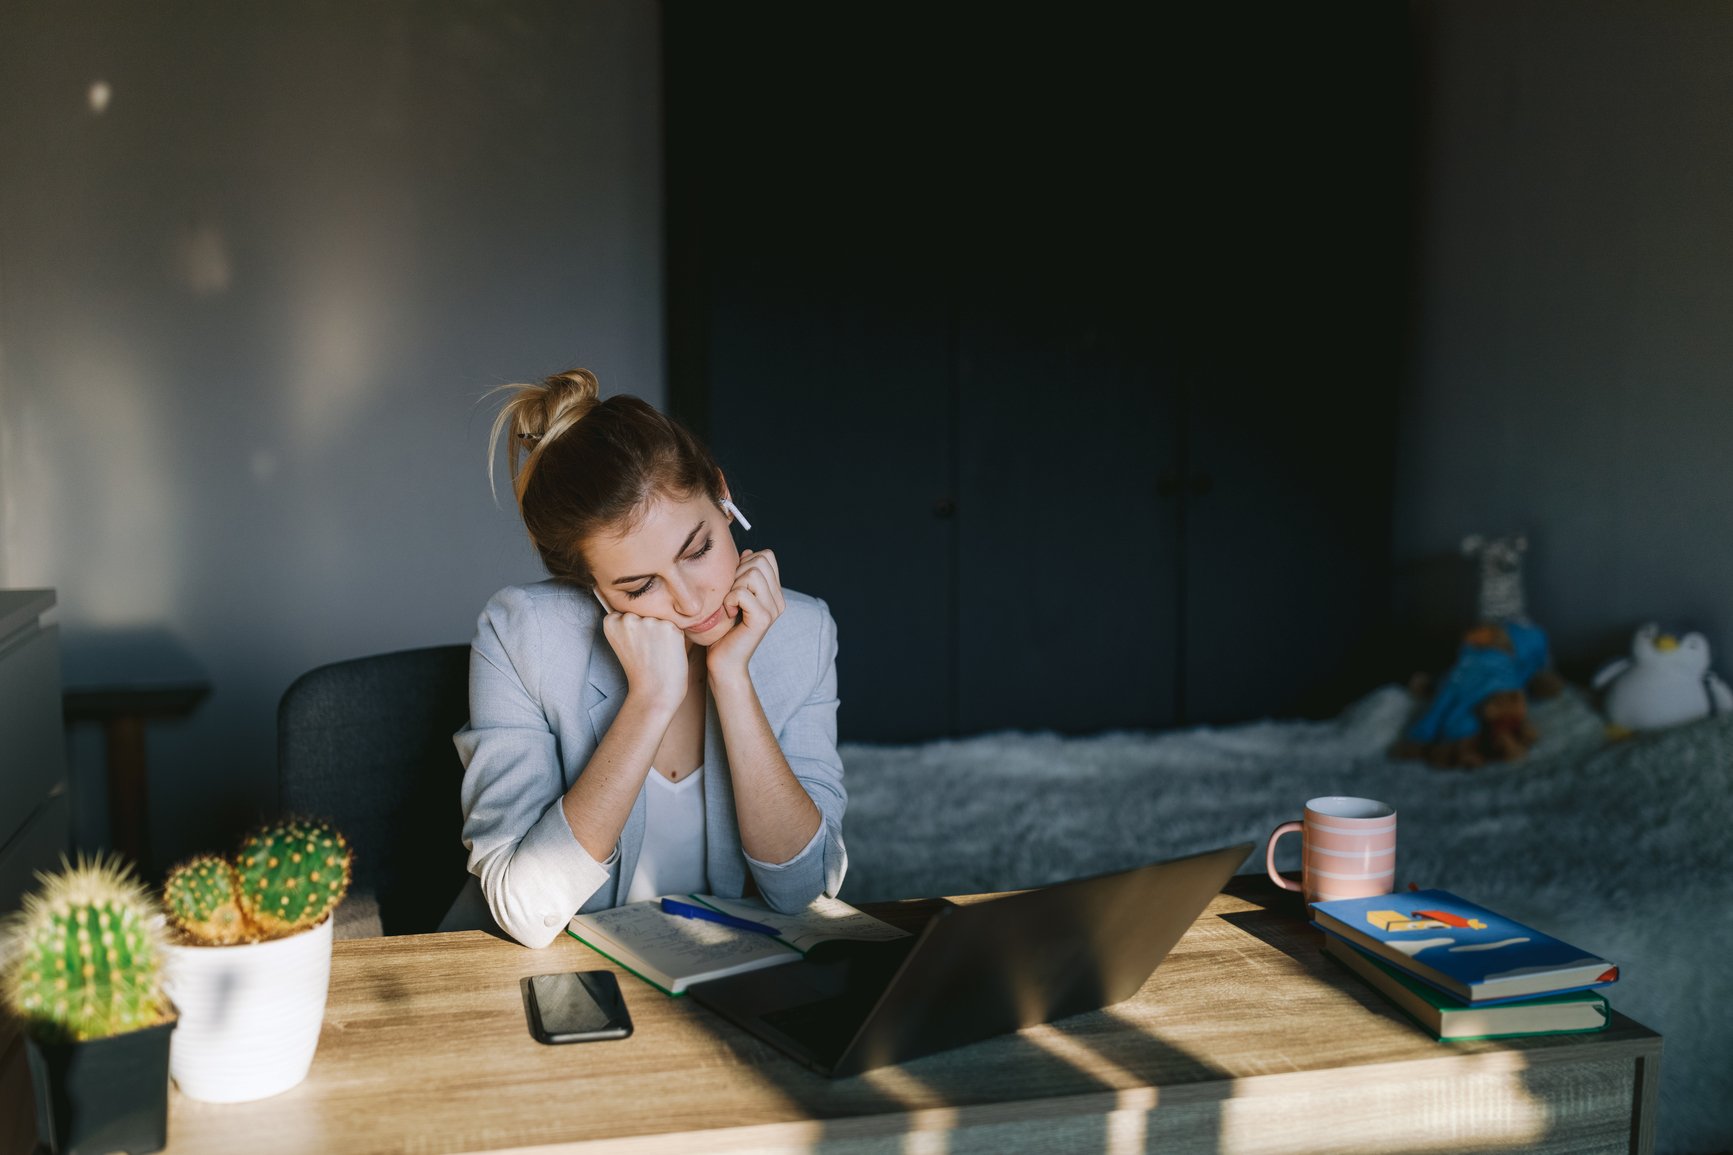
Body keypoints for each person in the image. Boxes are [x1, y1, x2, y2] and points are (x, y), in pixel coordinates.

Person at [438, 369, 847, 947]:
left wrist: (731, 678)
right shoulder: (522, 635)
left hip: (723, 987)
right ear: (594, 588)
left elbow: (804, 891)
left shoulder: (803, 633)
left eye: (698, 549)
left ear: (723, 496)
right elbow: (524, 912)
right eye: (639, 587)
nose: (690, 600)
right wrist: (650, 702)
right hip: (552, 982)